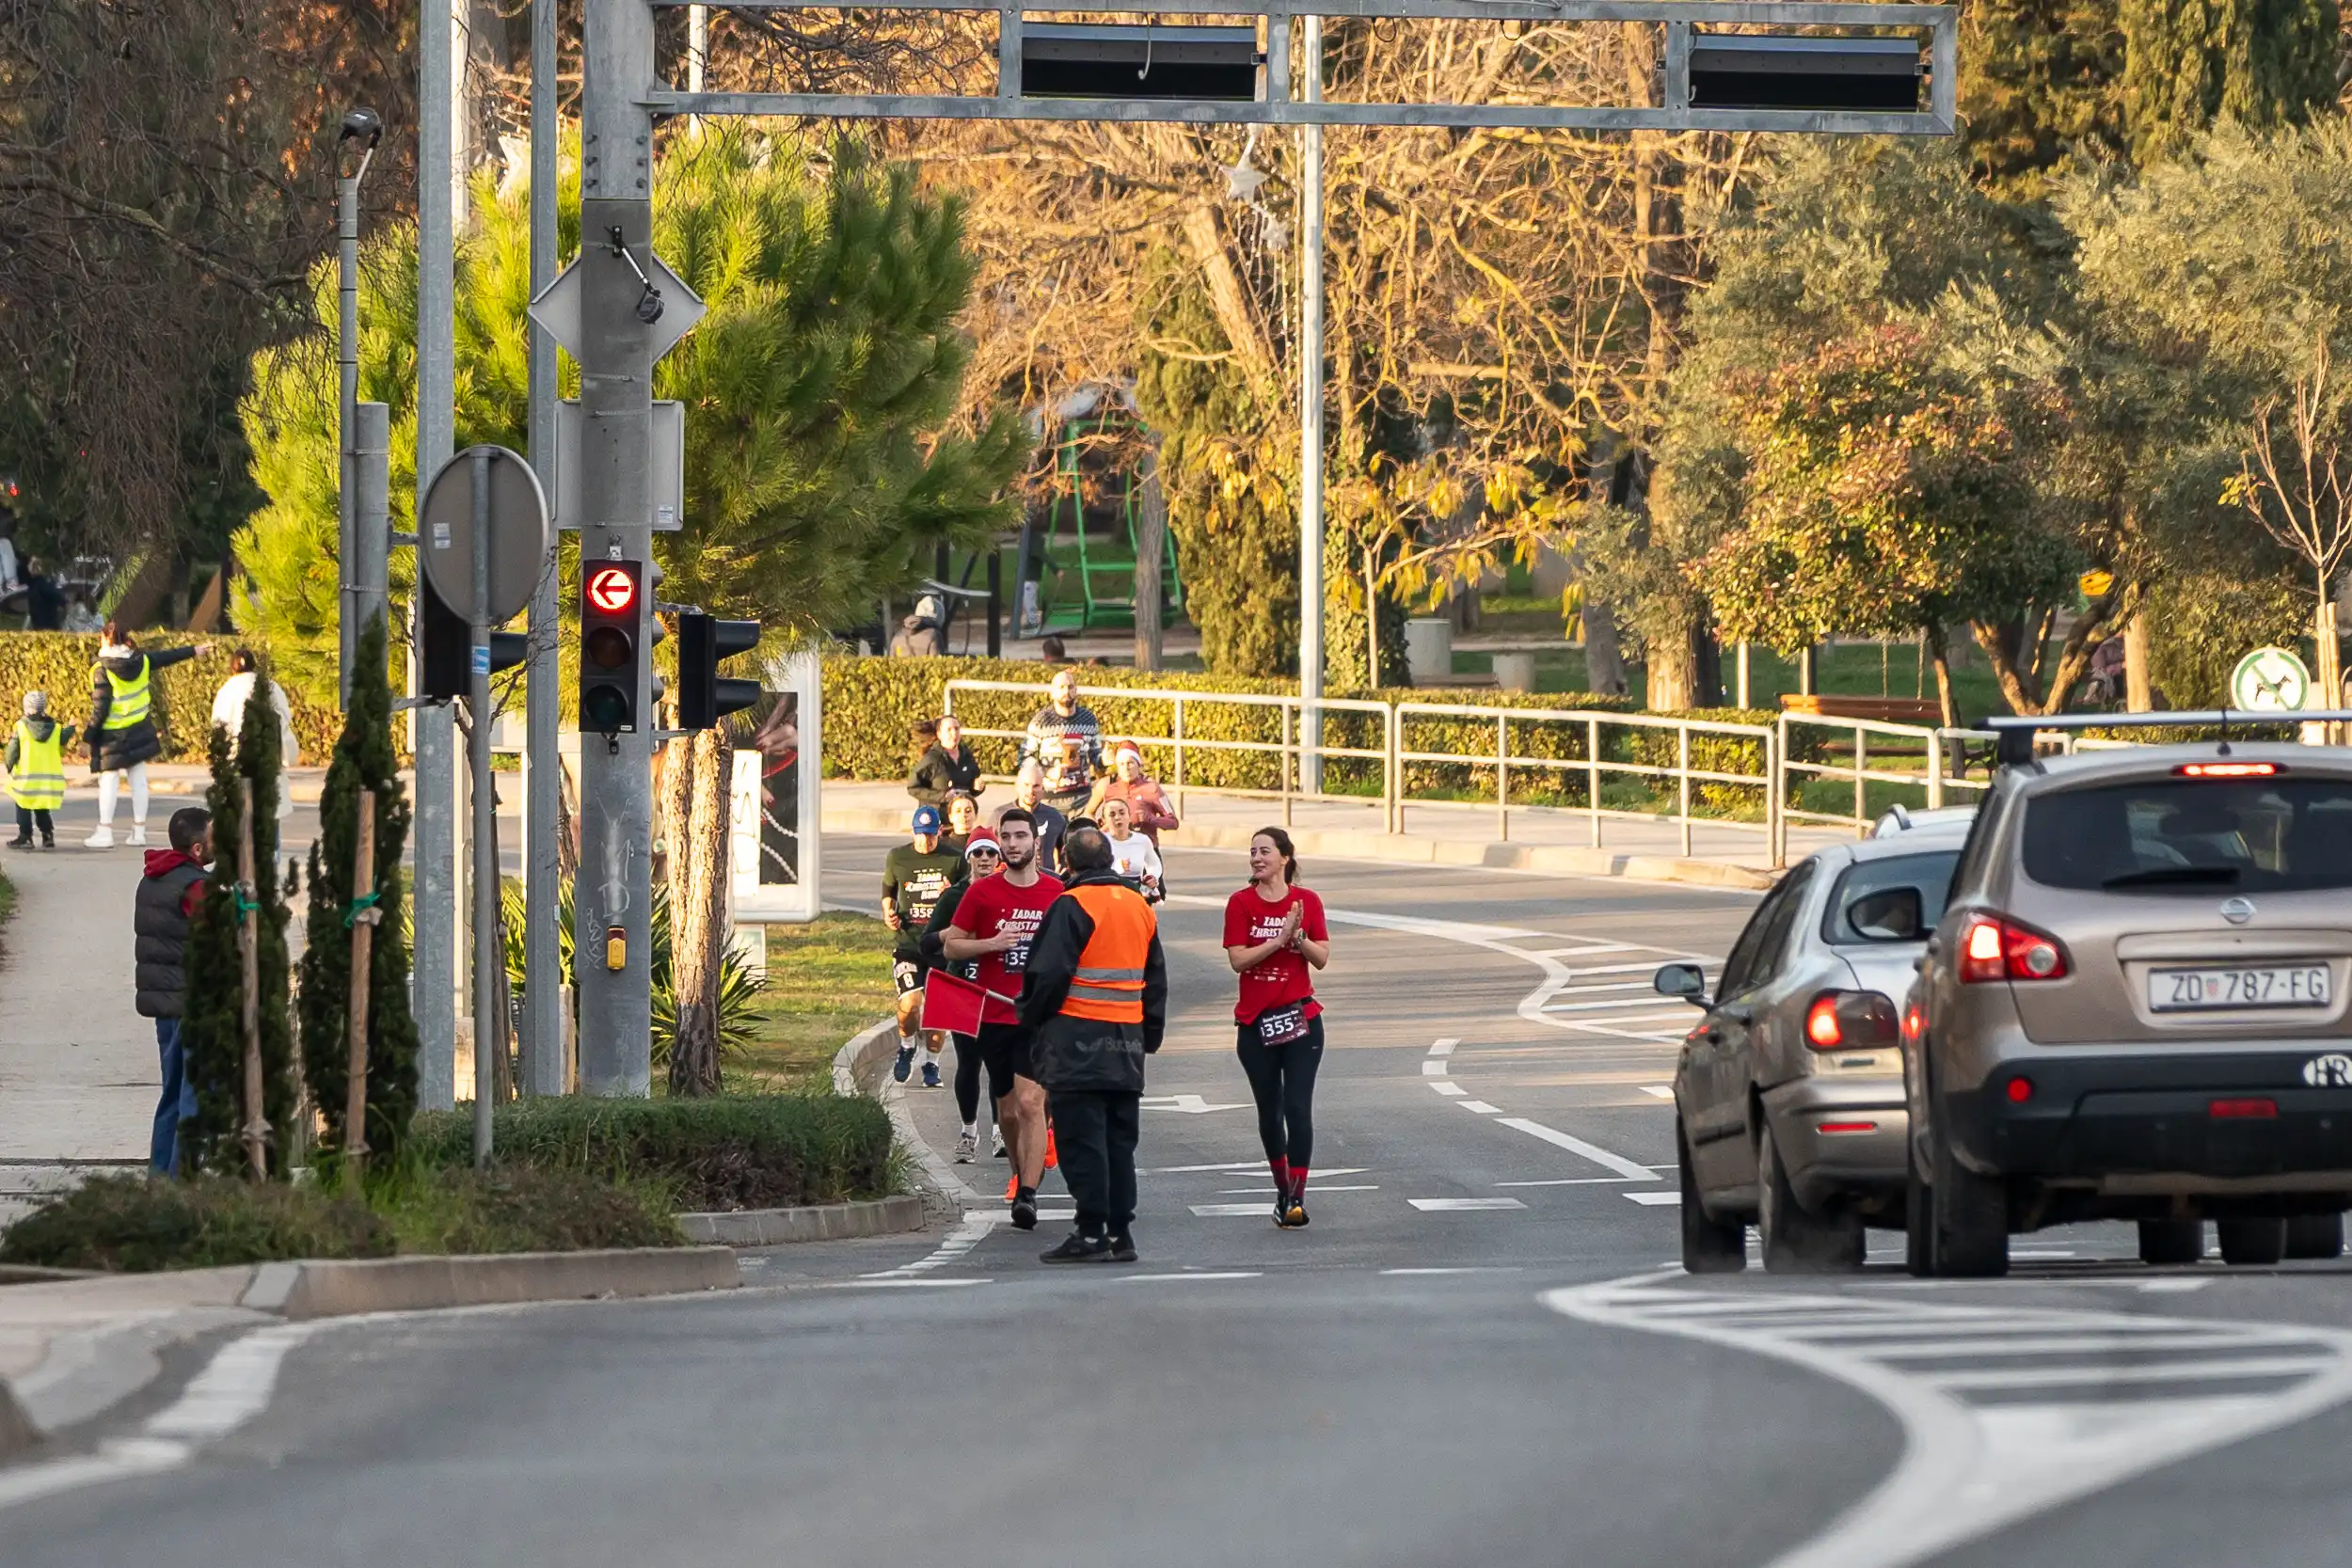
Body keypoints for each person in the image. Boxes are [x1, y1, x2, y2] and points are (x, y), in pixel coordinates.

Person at [1020, 826, 1168, 1263]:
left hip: (1078, 1042)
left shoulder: (1072, 904)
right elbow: (1155, 980)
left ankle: (1089, 1231)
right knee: (1119, 1143)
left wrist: (1028, 1015)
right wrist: (1149, 1036)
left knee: (1081, 1142)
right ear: (1108, 859)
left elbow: (1047, 974)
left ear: (1066, 860)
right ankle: (1121, 1234)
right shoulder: (1139, 906)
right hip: (1126, 1045)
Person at [941, 807, 1064, 1229]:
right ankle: (1020, 1171)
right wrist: (992, 943)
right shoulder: (982, 894)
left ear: (1036, 843)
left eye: (1020, 837)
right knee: (1008, 1112)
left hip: (1040, 1017)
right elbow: (952, 947)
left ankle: (1027, 1195)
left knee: (1032, 1102)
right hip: (994, 1013)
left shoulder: (1057, 893)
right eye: (1006, 838)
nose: (1012, 845)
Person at [1224, 826, 1332, 1228]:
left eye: (1265, 851)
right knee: (1270, 1111)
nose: (1256, 858)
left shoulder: (1307, 901)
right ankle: (1281, 1188)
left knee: (1297, 1106)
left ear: (1284, 858)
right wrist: (1277, 940)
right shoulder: (1240, 903)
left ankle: (1296, 1198)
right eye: (1252, 851)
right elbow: (1238, 960)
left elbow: (1321, 957)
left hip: (1300, 1018)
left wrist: (1299, 939)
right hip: (1255, 1024)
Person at [87, 624, 212, 848]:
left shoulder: (101, 669)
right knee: (139, 781)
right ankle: (139, 831)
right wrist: (194, 650)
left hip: (112, 734)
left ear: (105, 639)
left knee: (109, 782)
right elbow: (167, 657)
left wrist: (88, 735)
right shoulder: (141, 661)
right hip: (139, 729)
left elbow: (101, 708)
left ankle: (105, 832)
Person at [136, 806, 212, 1174]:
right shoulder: (194, 886)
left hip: (164, 1005)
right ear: (197, 849)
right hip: (189, 1003)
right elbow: (218, 931)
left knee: (172, 1093)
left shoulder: (153, 878)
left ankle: (159, 1175)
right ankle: (179, 1179)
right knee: (193, 1094)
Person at [922, 828, 1003, 1159]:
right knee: (969, 1064)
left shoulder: (1006, 891)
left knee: (1001, 1065)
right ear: (968, 857)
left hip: (999, 991)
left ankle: (1001, 1132)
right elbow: (926, 944)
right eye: (978, 853)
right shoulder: (954, 896)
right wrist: (952, 936)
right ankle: (969, 1133)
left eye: (991, 853)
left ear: (999, 859)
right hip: (963, 990)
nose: (984, 859)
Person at [882, 804, 965, 1087]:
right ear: (913, 832)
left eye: (930, 835)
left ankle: (932, 1064)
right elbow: (888, 892)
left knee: (937, 1011)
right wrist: (888, 913)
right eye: (920, 835)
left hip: (942, 946)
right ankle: (906, 1046)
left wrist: (950, 894)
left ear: (940, 831)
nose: (925, 841)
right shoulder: (898, 857)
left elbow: (969, 896)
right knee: (910, 1002)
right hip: (909, 943)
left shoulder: (954, 860)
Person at [209, 650, 299, 820]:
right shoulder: (270, 687)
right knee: (270, 815)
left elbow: (218, 726)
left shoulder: (227, 690)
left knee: (242, 815)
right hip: (269, 754)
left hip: (237, 757)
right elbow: (284, 718)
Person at [1020, 668, 1103, 816]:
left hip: (1082, 799)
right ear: (1052, 692)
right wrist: (1047, 773)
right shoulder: (1040, 722)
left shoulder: (1089, 720)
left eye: (1070, 687)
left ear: (1076, 690)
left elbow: (1096, 756)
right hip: (1049, 799)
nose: (1066, 691)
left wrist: (1105, 761)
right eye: (1061, 687)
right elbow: (1026, 759)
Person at [5, 691, 72, 848]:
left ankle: (25, 836)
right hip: (47, 779)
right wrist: (72, 728)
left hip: (26, 778)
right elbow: (63, 738)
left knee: (23, 805)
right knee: (42, 808)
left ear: (26, 708)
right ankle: (47, 835)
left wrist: (9, 766)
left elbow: (12, 750)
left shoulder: (21, 727)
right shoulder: (55, 728)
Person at [1084, 742, 1180, 847]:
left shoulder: (1152, 788)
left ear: (1139, 765)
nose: (1126, 768)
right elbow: (1088, 812)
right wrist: (1099, 831)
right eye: (1122, 764)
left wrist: (1152, 820)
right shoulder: (1107, 785)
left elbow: (1173, 822)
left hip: (1145, 850)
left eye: (1130, 763)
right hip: (1115, 849)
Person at [998, 760, 1067, 874]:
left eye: (1036, 786)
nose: (1031, 791)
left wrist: (1062, 872)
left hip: (1045, 882)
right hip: (1009, 881)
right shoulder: (1000, 815)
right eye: (1026, 785)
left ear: (1043, 789)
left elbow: (1066, 851)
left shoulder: (1055, 817)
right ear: (1017, 786)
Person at [908, 714, 983, 807]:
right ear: (939, 734)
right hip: (937, 816)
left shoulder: (966, 756)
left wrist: (977, 788)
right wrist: (942, 796)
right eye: (949, 730)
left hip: (960, 816)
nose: (954, 733)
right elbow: (913, 788)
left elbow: (972, 787)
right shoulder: (932, 759)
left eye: (956, 729)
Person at [1099, 797, 1163, 901]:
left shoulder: (1142, 840)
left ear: (1129, 816)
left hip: (1136, 896)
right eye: (1112, 814)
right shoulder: (1100, 841)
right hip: (1109, 896)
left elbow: (1154, 864)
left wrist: (1152, 876)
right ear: (1103, 821)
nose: (1117, 817)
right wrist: (1116, 869)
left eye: (1122, 813)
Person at [21, 558, 65, 631]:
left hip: (46, 626)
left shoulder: (41, 584)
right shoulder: (35, 584)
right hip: (41, 625)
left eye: (31, 568)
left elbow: (55, 595)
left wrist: (64, 602)